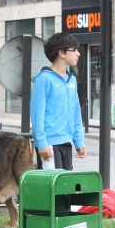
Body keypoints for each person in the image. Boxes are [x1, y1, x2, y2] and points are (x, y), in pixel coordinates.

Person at [30, 32, 86, 170]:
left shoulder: (71, 80)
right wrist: (41, 142)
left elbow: (76, 112)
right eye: (74, 50)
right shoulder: (44, 79)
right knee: (53, 189)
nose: (78, 54)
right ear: (61, 53)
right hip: (49, 145)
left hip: (66, 143)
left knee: (66, 189)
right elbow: (37, 113)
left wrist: (79, 141)